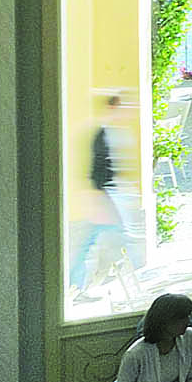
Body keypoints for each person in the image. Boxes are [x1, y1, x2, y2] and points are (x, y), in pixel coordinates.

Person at [67, 91, 137, 299]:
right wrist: (99, 200)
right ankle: (81, 285)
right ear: (112, 108)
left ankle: (80, 285)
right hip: (105, 196)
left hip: (110, 194)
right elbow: (97, 170)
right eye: (122, 108)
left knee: (96, 240)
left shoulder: (110, 132)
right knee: (103, 239)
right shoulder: (102, 134)